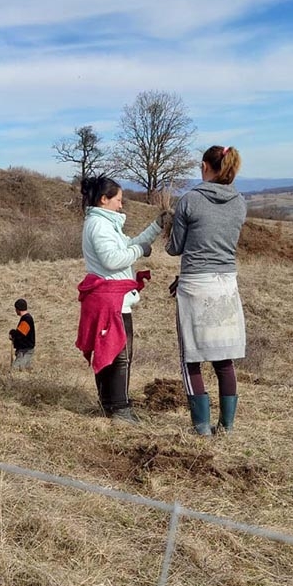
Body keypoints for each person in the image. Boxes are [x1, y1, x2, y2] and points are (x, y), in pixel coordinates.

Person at [166, 145, 247, 435]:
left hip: (196, 286)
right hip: (226, 284)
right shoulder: (240, 202)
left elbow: (175, 248)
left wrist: (168, 225)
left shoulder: (190, 200)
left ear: (204, 166)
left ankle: (201, 428)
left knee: (192, 357)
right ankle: (226, 427)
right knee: (223, 359)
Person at [75, 175, 169, 423]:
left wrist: (157, 226)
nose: (121, 204)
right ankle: (119, 409)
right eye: (118, 199)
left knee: (111, 353)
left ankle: (110, 404)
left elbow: (128, 244)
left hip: (110, 298)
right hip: (111, 301)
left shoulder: (105, 224)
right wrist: (140, 251)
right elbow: (112, 260)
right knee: (120, 355)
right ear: (104, 199)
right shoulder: (99, 226)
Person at [9, 298, 35, 369]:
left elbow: (20, 335)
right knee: (24, 369)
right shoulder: (26, 318)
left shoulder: (26, 319)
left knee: (16, 369)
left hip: (25, 351)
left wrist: (13, 333)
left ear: (18, 309)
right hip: (24, 350)